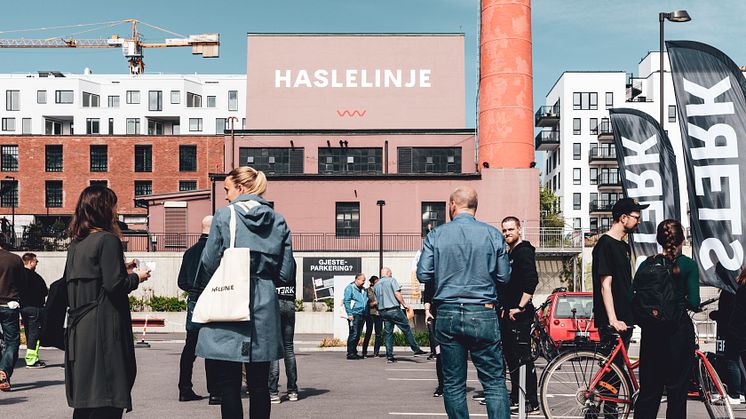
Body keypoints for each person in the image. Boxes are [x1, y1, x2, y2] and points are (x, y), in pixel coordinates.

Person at [195, 166, 295, 419]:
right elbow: (286, 274)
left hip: (230, 294)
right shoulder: (279, 220)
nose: (226, 195)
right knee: (260, 384)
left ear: (241, 188)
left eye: (227, 189)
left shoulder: (224, 215)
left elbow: (208, 262)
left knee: (229, 383)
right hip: (264, 298)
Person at [417, 186, 512, 419]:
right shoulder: (492, 235)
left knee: (453, 384)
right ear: (475, 206)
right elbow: (504, 277)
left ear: (452, 205)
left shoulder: (436, 235)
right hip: (483, 312)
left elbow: (423, 274)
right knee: (493, 383)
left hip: (448, 313)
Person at [64, 185, 150, 418]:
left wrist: (121, 269)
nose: (115, 211)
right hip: (104, 327)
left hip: (81, 329)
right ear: (103, 209)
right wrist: (136, 277)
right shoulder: (108, 240)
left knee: (88, 398)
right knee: (110, 393)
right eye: (112, 205)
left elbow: (92, 279)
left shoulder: (76, 245)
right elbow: (115, 286)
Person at [634, 219, 700, 418]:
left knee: (649, 392)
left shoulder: (647, 263)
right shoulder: (688, 265)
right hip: (678, 334)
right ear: (681, 239)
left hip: (652, 335)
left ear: (659, 239)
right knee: (677, 393)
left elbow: (632, 296)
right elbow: (695, 302)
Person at [592, 198, 648, 347]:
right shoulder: (605, 244)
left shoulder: (624, 246)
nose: (639, 222)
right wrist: (612, 320)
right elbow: (605, 285)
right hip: (613, 322)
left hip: (625, 318)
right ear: (623, 218)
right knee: (612, 368)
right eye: (636, 217)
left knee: (619, 368)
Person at [497, 217, 539, 413]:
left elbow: (531, 281)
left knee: (523, 359)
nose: (507, 233)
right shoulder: (510, 253)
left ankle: (531, 402)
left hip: (519, 315)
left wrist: (520, 307)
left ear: (519, 229)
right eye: (504, 230)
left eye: (511, 229)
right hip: (509, 313)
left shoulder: (523, 252)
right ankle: (516, 397)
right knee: (512, 359)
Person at [176, 216, 212, 402]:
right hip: (212, 303)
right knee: (214, 347)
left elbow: (181, 282)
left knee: (190, 347)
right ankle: (215, 391)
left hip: (194, 302)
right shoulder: (215, 252)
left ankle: (185, 388)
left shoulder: (189, 253)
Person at [374, 267, 427, 363]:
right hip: (394, 309)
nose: (391, 274)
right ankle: (416, 349)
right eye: (391, 273)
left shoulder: (376, 285)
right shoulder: (391, 280)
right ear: (389, 273)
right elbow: (397, 293)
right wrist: (404, 304)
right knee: (406, 328)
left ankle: (389, 356)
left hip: (383, 311)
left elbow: (376, 300)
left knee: (388, 333)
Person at [268, 263, 299, 404]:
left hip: (276, 302)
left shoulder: (273, 258)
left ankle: (273, 392)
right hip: (290, 302)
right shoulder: (291, 261)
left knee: (274, 349)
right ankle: (292, 390)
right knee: (289, 348)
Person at [0, 235, 25, 392]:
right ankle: (4, 371)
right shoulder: (14, 259)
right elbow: (22, 282)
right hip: (9, 304)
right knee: (12, 341)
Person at [20, 252, 48, 369]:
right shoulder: (35, 277)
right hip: (35, 308)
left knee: (28, 332)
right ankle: (32, 360)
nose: (36, 264)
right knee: (34, 334)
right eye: (36, 261)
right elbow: (45, 291)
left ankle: (31, 357)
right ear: (31, 262)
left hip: (23, 308)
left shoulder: (19, 276)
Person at [423, 273, 444, 397]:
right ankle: (441, 385)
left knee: (454, 353)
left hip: (453, 314)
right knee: (439, 353)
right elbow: (427, 293)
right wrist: (427, 311)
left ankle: (454, 385)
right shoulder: (433, 275)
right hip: (436, 316)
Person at [343, 273, 368, 360]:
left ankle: (354, 352)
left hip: (362, 314)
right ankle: (350, 353)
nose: (364, 282)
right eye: (362, 280)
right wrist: (349, 314)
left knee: (358, 334)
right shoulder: (350, 288)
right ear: (356, 279)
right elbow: (346, 301)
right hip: (354, 314)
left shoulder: (363, 290)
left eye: (364, 280)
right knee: (354, 333)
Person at [361, 275, 382, 358]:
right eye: (376, 282)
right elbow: (365, 303)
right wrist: (373, 303)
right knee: (368, 332)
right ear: (372, 282)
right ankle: (364, 352)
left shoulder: (381, 291)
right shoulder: (367, 291)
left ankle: (376, 352)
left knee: (378, 334)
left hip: (379, 314)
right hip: (370, 314)